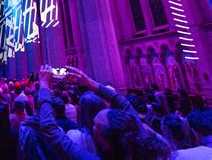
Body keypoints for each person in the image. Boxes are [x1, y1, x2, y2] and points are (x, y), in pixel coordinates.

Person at [37, 65, 171, 159]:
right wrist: (88, 81)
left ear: (103, 142)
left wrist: (44, 86)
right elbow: (122, 102)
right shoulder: (141, 139)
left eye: (95, 124)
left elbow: (50, 128)